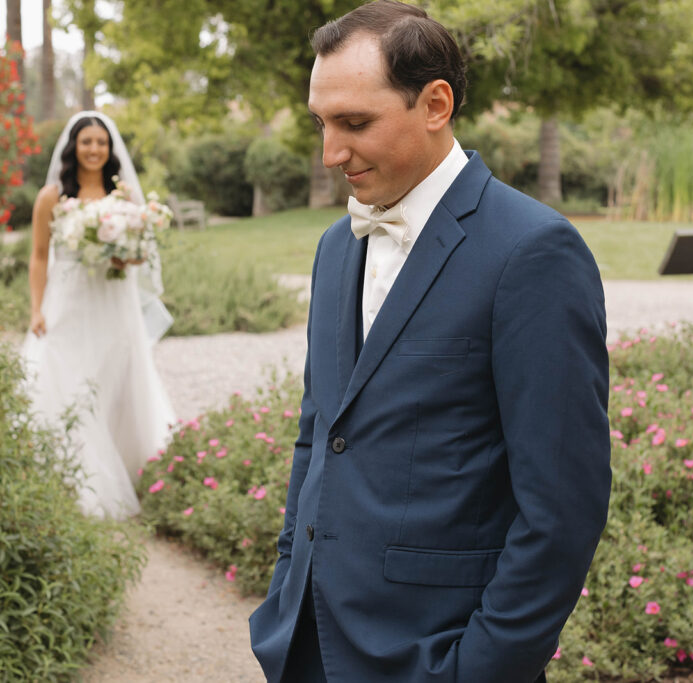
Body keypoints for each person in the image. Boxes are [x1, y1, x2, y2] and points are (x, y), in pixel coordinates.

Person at [248, 2, 611, 681]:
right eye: (321, 124)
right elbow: (319, 433)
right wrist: (286, 583)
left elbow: (563, 507)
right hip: (305, 644)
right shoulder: (335, 248)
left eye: (355, 123)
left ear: (436, 103)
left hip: (432, 654)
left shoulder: (534, 252)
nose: (331, 153)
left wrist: (478, 667)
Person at [20, 111, 176, 520]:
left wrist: (126, 254)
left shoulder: (123, 196)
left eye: (101, 142)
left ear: (110, 149)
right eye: (86, 142)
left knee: (116, 381)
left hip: (113, 300)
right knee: (70, 381)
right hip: (68, 301)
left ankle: (129, 471)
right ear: (74, 147)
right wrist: (36, 309)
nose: (94, 149)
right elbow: (38, 257)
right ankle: (71, 482)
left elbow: (141, 252)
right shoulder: (51, 196)